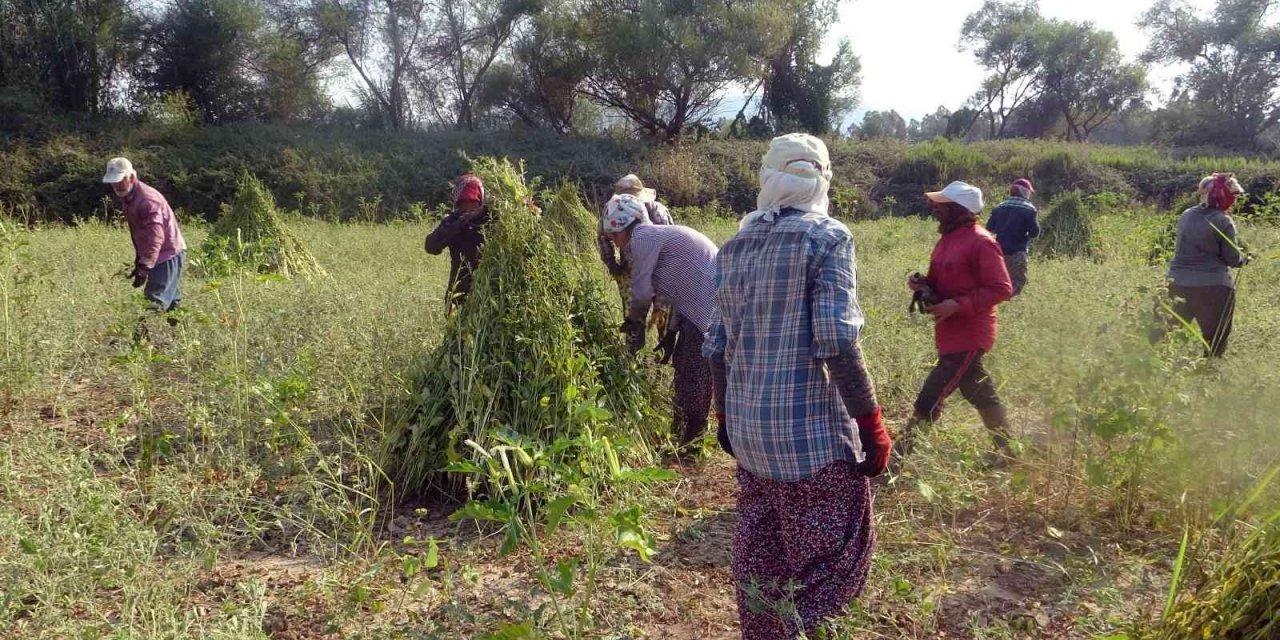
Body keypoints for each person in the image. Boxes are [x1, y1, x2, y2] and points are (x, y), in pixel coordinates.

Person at [703, 133, 892, 638]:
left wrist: (725, 417)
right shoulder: (828, 238)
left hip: (749, 440)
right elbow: (835, 340)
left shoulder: (733, 247)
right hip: (811, 447)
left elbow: (717, 344)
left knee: (760, 565)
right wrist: (871, 424)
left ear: (768, 179)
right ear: (821, 179)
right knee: (833, 568)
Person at [898, 181, 1015, 469]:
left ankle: (899, 457)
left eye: (942, 206)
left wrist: (958, 305)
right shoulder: (947, 240)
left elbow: (1001, 288)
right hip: (950, 331)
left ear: (958, 209)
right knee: (978, 391)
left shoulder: (982, 242)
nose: (936, 209)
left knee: (932, 393)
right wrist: (923, 284)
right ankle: (1010, 453)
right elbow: (940, 280)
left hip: (970, 333)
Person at [601, 194, 717, 448]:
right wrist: (671, 333)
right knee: (684, 366)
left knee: (694, 371)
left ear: (625, 226)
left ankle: (692, 441)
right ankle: (683, 435)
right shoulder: (651, 237)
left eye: (614, 234)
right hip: (698, 307)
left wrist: (633, 322)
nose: (612, 240)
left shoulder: (643, 238)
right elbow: (676, 288)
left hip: (711, 308)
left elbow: (641, 292)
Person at [1157, 173, 1249, 358]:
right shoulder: (1223, 221)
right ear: (1223, 195)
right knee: (1214, 342)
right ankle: (1208, 374)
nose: (1235, 200)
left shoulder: (1186, 215)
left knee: (1161, 336)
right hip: (1212, 287)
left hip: (1175, 282)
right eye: (1233, 195)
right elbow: (1232, 258)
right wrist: (1244, 258)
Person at [103, 157, 187, 325]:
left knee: (153, 300)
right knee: (171, 303)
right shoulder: (129, 196)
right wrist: (139, 261)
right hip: (160, 254)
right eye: (113, 182)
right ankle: (184, 341)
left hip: (167, 255)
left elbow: (156, 236)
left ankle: (142, 343)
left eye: (120, 180)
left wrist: (145, 265)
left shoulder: (148, 200)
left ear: (132, 177)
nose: (116, 185)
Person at [425, 173, 488, 310]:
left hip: (487, 295)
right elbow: (431, 246)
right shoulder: (453, 221)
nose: (469, 205)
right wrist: (463, 220)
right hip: (459, 295)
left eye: (472, 201)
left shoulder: (491, 218)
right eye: (466, 202)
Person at [985, 178, 1040, 296]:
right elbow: (1034, 233)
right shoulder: (1030, 209)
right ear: (1024, 192)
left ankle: (997, 302)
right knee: (1018, 283)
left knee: (1000, 283)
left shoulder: (999, 207)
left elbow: (989, 227)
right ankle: (1008, 302)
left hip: (998, 252)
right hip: (1018, 253)